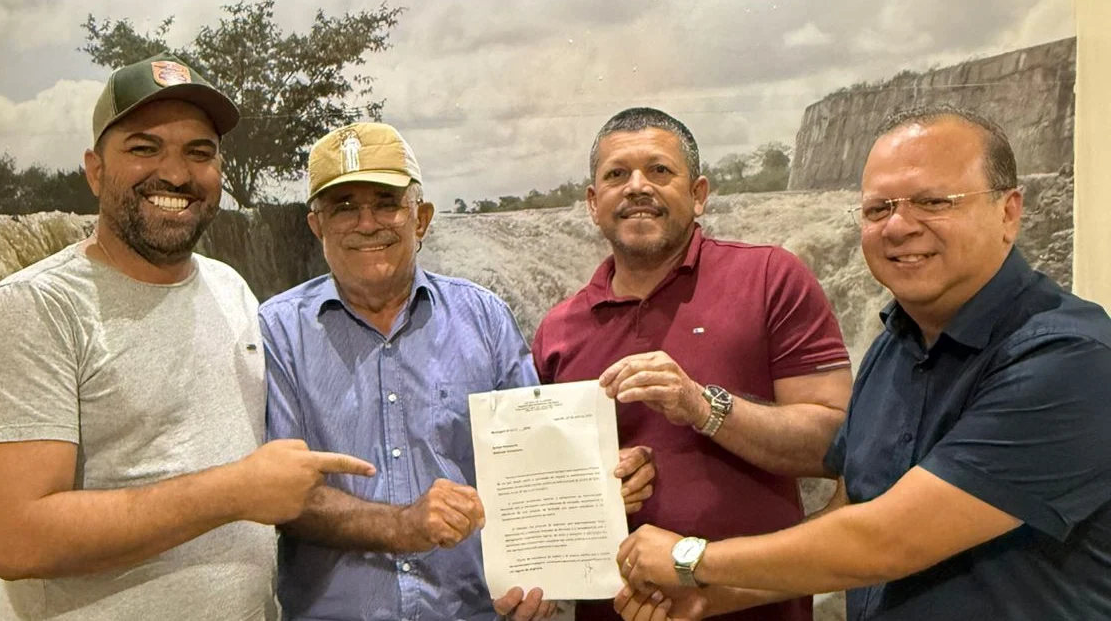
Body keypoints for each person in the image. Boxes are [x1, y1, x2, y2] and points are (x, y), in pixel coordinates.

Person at [613, 105, 1111, 621]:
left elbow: (890, 538)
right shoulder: (894, 346)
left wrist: (692, 559)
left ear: (1008, 212)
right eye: (878, 209)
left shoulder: (1069, 358)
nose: (898, 226)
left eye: (933, 202)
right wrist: (715, 595)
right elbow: (852, 510)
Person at [0, 52, 374, 621]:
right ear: (95, 170)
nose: (175, 174)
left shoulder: (230, 288)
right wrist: (234, 492)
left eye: (199, 152)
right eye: (144, 148)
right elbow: (16, 539)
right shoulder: (32, 309)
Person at [259, 122, 656, 621]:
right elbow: (285, 498)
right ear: (316, 226)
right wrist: (403, 525)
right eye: (343, 207)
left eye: (387, 203)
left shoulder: (485, 318)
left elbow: (536, 460)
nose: (367, 223)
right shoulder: (276, 332)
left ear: (421, 218)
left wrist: (597, 481)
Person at [532, 107, 854, 621]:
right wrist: (591, 493)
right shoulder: (558, 329)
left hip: (758, 612)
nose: (638, 187)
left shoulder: (770, 277)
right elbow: (543, 490)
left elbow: (835, 446)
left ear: (698, 194)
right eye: (617, 174)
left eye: (659, 170)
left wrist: (703, 407)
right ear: (593, 203)